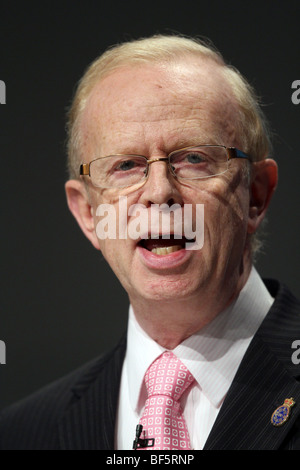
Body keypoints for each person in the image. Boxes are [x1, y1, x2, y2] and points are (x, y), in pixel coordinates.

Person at [1, 34, 300, 451]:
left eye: (193, 158)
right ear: (89, 214)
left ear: (255, 196)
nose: (159, 192)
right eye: (125, 166)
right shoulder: (24, 434)